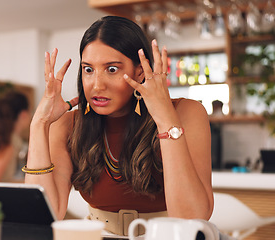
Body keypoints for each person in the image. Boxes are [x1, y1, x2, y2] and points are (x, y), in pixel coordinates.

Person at [24, 16, 213, 236]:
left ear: (140, 71)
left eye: (111, 69)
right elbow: (45, 215)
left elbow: (191, 218)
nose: (97, 84)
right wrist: (39, 124)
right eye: (88, 70)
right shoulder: (68, 125)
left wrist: (165, 119)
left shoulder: (186, 113)